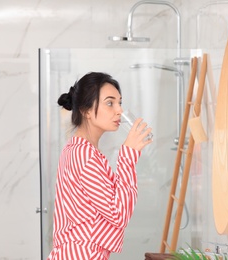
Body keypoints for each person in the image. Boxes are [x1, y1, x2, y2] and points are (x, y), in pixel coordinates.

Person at [47, 72, 153, 259]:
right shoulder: (83, 154)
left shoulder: (79, 149)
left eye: (119, 102)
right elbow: (118, 215)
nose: (119, 110)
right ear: (86, 110)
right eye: (110, 103)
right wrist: (128, 155)